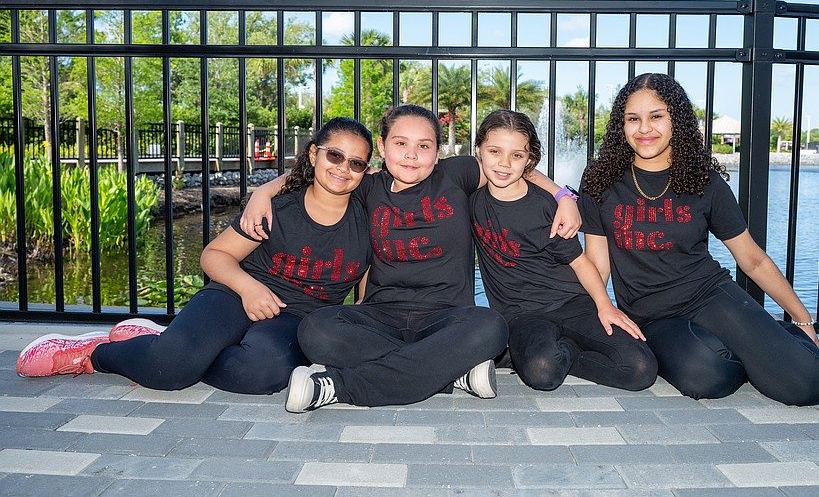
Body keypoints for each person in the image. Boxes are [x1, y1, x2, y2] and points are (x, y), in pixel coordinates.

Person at [241, 104, 582, 412]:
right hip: (381, 316)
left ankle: (337, 388)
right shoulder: (367, 186)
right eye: (401, 143)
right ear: (383, 146)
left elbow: (513, 165)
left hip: (447, 318)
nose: (411, 155)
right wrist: (266, 189)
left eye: (424, 146)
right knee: (316, 329)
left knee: (491, 327)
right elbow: (317, 172)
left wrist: (563, 195)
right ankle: (451, 374)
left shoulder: (457, 174)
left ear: (437, 153)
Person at [17, 118, 374, 396]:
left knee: (260, 374)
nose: (343, 168)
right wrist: (249, 289)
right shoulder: (278, 208)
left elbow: (368, 280)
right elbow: (214, 255)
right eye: (335, 155)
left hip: (297, 318)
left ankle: (170, 347)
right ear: (314, 154)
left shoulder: (371, 213)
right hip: (236, 294)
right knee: (168, 371)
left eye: (356, 162)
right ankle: (94, 355)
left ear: (366, 170)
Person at [578, 73, 819, 405]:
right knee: (708, 378)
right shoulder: (600, 181)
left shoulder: (704, 181)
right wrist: (601, 308)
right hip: (651, 316)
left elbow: (751, 259)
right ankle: (753, 350)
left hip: (709, 294)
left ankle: (776, 339)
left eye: (656, 116)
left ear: (677, 120)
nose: (644, 129)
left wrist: (800, 317)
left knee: (809, 384)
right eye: (633, 119)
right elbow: (598, 265)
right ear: (620, 125)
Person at [470, 109, 657, 391]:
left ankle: (550, 351)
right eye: (494, 151)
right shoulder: (469, 198)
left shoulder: (546, 206)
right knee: (542, 373)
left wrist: (605, 306)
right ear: (479, 151)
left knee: (641, 369)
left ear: (529, 160)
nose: (504, 163)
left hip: (573, 303)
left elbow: (580, 262)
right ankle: (540, 353)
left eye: (516, 156)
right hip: (522, 314)